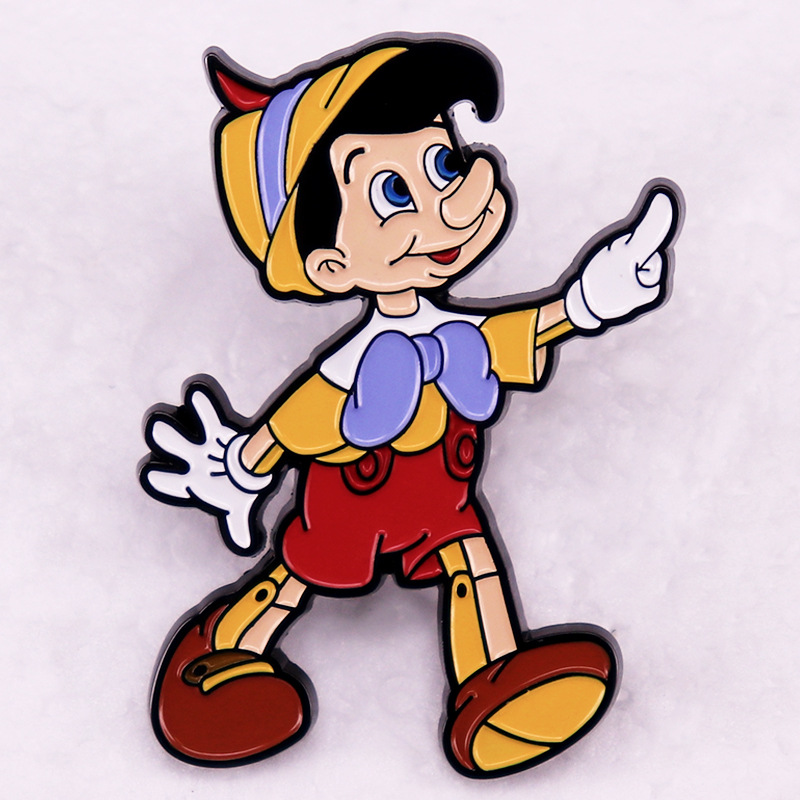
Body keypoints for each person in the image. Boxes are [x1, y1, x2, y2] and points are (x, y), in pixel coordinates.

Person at [141, 35, 682, 777]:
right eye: (394, 194)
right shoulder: (344, 370)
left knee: (471, 560)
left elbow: (519, 333)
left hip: (440, 498)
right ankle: (213, 659)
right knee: (294, 576)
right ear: (329, 263)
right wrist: (239, 469)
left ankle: (493, 687)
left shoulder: (460, 335)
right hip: (351, 500)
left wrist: (589, 301)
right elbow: (289, 428)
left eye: (445, 166)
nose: (445, 206)